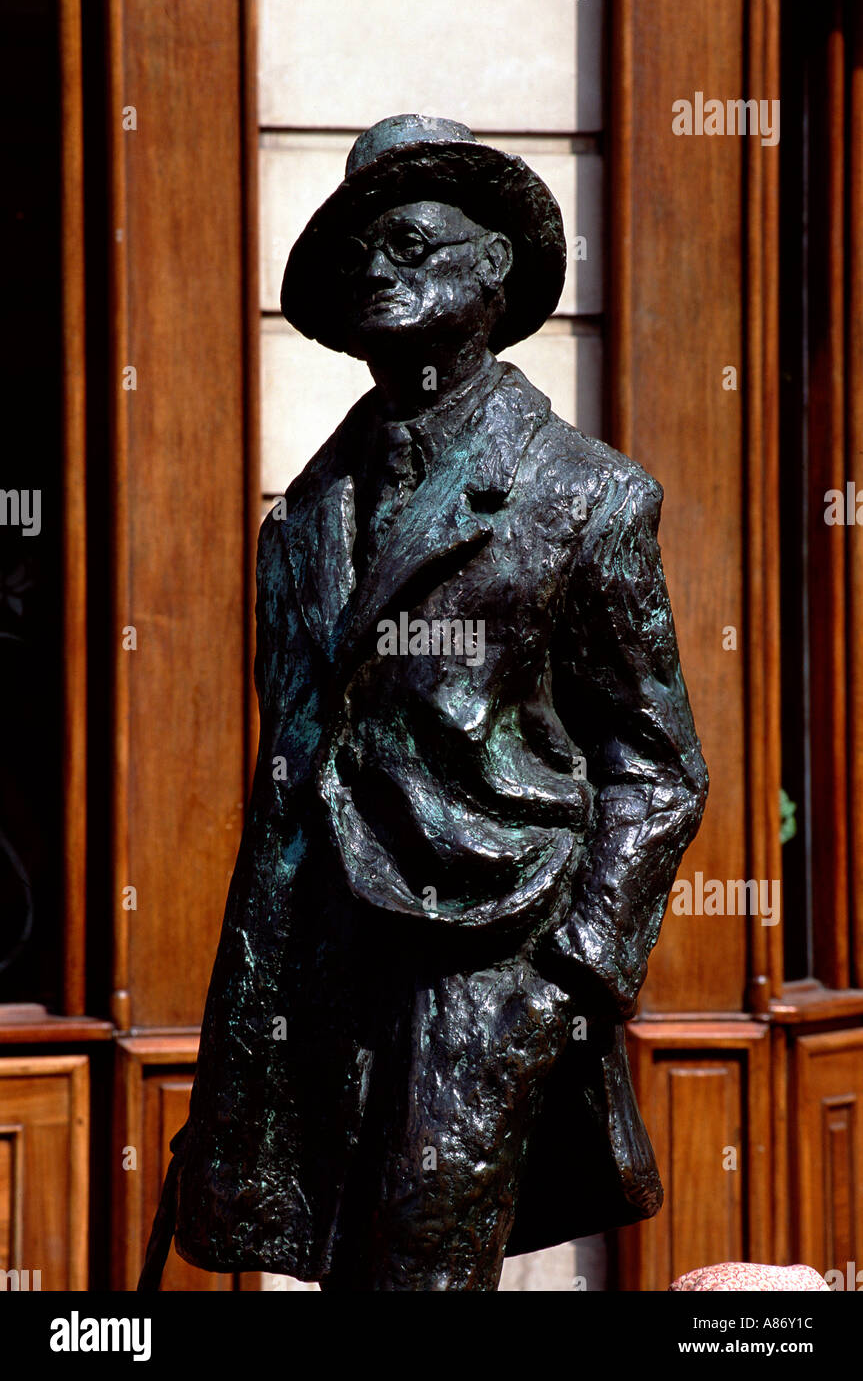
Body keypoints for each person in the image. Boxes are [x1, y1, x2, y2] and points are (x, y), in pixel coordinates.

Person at [140, 114, 708, 1292]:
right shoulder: (297, 520)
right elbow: (296, 767)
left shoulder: (583, 499)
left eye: (407, 239)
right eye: (357, 254)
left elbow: (655, 767)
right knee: (326, 1262)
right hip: (313, 963)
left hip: (483, 963)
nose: (376, 268)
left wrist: (571, 974)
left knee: (423, 1274)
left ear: (492, 266)